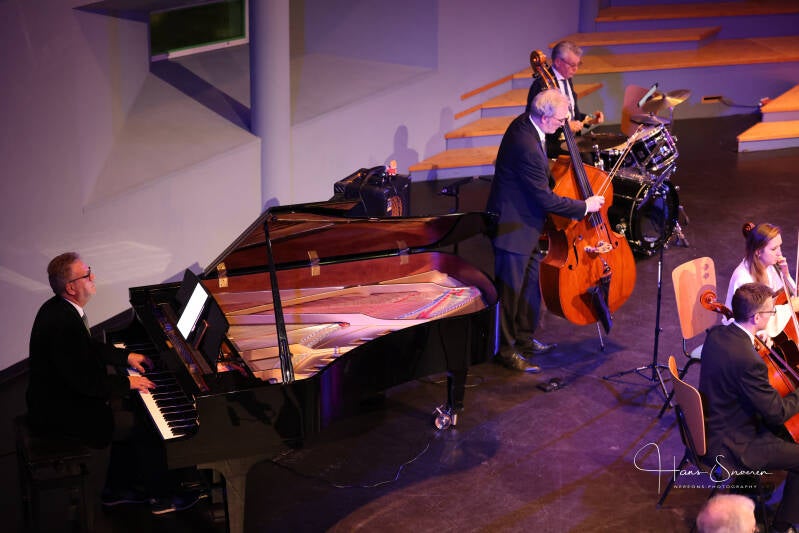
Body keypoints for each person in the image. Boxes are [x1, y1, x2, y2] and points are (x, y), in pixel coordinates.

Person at [26, 252, 204, 516]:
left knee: (132, 408)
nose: (93, 277)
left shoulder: (59, 308)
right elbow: (86, 383)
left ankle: (118, 488)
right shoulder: (63, 323)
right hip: (61, 414)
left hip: (57, 400)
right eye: (87, 275)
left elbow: (87, 349)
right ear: (71, 287)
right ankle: (162, 496)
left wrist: (126, 357)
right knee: (146, 424)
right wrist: (128, 382)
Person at [486, 89, 605, 373]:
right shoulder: (526, 145)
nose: (563, 125)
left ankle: (524, 340)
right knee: (510, 293)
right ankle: (505, 351)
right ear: (543, 116)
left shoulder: (527, 124)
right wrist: (584, 206)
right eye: (560, 120)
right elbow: (545, 198)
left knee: (529, 288)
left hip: (527, 225)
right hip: (512, 228)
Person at [699, 282, 799, 533]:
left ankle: (747, 486)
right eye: (771, 311)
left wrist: (753, 341)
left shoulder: (717, 335)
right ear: (756, 317)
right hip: (734, 445)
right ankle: (782, 526)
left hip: (712, 427)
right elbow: (776, 413)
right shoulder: (748, 360)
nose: (773, 314)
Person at [526, 40, 604, 159]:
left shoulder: (567, 79)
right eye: (572, 65)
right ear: (558, 62)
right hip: (553, 142)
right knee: (586, 158)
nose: (576, 69)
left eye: (578, 64)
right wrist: (565, 126)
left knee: (598, 149)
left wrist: (591, 119)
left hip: (571, 139)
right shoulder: (542, 85)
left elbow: (571, 115)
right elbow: (536, 120)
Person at [724, 222, 799, 339]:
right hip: (749, 336)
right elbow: (756, 320)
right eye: (774, 249)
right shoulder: (743, 279)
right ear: (758, 252)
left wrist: (786, 274)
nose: (779, 253)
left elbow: (788, 296)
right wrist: (790, 309)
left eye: (780, 246)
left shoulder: (769, 265)